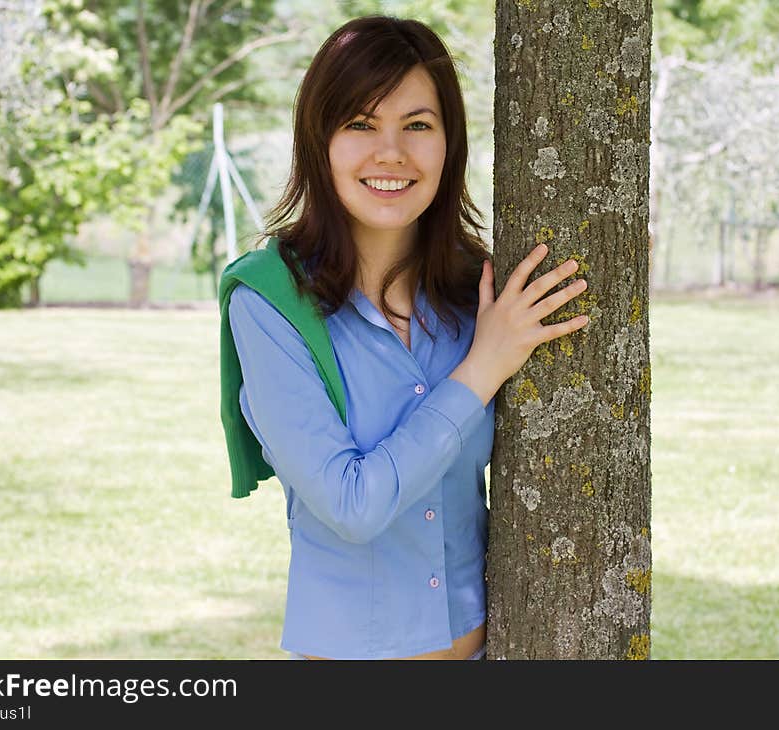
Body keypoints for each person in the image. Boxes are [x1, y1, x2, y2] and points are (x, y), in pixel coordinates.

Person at [224, 15, 589, 660]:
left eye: (417, 125)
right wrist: (482, 369)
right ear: (319, 141)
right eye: (360, 125)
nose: (390, 153)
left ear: (449, 142)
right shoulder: (269, 302)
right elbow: (351, 503)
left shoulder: (482, 292)